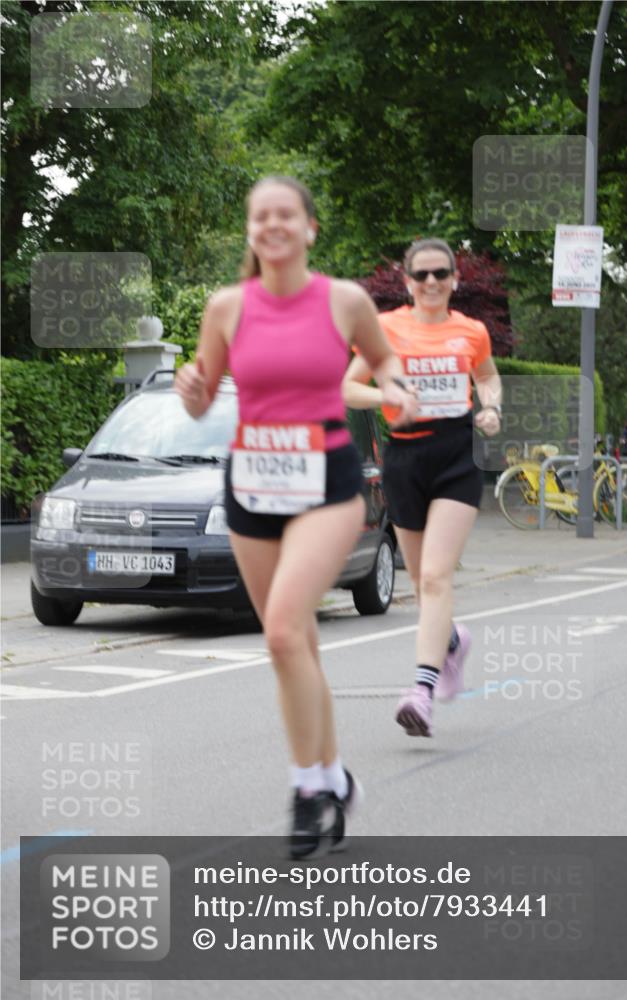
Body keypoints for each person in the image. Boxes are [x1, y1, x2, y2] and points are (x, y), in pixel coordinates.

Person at [174, 175, 417, 857]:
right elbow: (199, 398)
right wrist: (192, 389)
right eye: (260, 217)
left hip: (325, 482)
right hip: (250, 482)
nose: (273, 226)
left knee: (281, 632)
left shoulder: (343, 301)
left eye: (286, 215)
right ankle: (335, 776)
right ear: (250, 233)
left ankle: (309, 787)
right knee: (296, 644)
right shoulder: (225, 307)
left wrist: (397, 387)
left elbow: (384, 360)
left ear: (309, 228)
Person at [343, 238, 502, 737]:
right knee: (420, 582)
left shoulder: (471, 331)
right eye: (421, 275)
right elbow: (347, 387)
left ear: (454, 280)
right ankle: (452, 641)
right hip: (404, 456)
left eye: (440, 274)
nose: (431, 283)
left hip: (456, 454)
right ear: (407, 282)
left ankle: (420, 691)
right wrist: (387, 392)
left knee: (435, 577)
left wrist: (492, 406)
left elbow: (488, 376)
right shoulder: (385, 329)